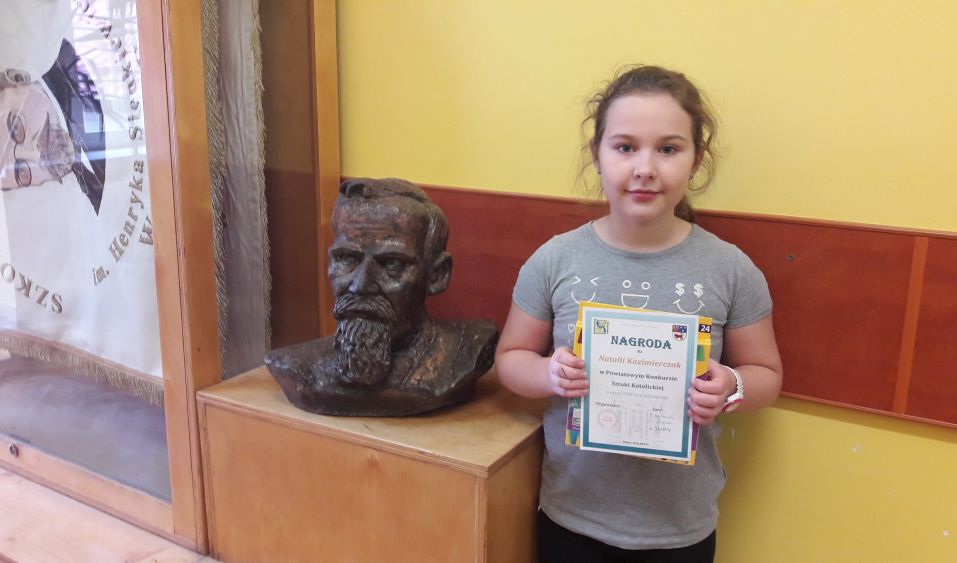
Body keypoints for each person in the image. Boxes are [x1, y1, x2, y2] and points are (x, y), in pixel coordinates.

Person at [495, 65, 782, 562]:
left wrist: (730, 386)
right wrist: (548, 374)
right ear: (597, 155)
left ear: (696, 160)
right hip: (571, 517)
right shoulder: (555, 260)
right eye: (625, 147)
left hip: (680, 530)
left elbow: (767, 375)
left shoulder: (731, 269)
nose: (645, 168)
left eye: (668, 149)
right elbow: (510, 358)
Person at [266, 177, 498, 416]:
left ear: (437, 275)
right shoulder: (298, 366)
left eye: (392, 263)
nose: (360, 286)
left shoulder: (464, 353)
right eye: (347, 258)